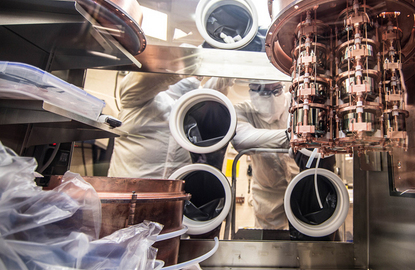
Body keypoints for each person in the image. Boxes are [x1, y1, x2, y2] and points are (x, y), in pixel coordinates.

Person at [107, 72, 233, 179]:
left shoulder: (193, 105)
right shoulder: (136, 99)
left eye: (199, 76)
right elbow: (147, 77)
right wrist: (195, 58)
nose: (196, 77)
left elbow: (216, 89)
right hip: (128, 192)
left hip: (172, 198)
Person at [231, 81, 299, 230]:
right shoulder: (242, 110)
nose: (272, 98)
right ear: (252, 93)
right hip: (267, 193)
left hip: (303, 186)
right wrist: (293, 137)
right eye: (264, 92)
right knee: (272, 244)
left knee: (310, 242)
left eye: (276, 90)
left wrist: (266, 140)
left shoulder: (296, 103)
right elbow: (241, 140)